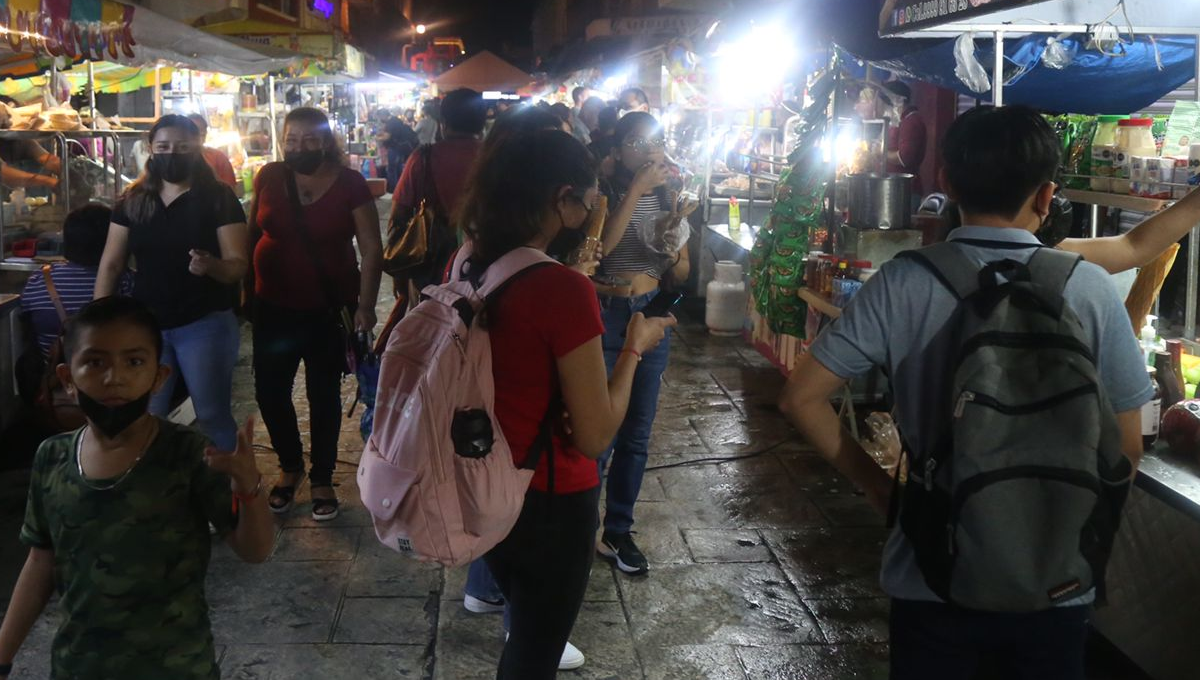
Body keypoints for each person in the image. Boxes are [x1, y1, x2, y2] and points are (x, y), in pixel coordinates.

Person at [778, 106, 1152, 679]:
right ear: (1047, 195)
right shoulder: (1090, 288)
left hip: (932, 571)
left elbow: (801, 398)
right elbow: (1127, 448)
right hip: (1058, 579)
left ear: (947, 183)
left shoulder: (904, 281)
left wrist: (885, 496)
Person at [459, 127, 674, 679]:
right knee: (534, 655)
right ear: (560, 199)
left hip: (486, 483)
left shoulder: (469, 261)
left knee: (525, 638)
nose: (591, 207)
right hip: (552, 500)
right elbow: (596, 434)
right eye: (588, 197)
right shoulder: (562, 291)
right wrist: (634, 348)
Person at [0, 296, 274, 680]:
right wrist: (3, 654)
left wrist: (249, 487)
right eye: (95, 362)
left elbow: (255, 550)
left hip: (178, 668)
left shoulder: (188, 453)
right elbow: (40, 561)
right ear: (68, 379)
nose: (115, 378)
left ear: (159, 377)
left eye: (134, 361)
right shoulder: (53, 457)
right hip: (78, 666)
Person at [249, 107, 382, 522]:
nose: (299, 146)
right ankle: (290, 467)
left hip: (328, 308)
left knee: (322, 394)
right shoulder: (269, 176)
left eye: (309, 139)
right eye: (291, 139)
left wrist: (365, 306)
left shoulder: (351, 183)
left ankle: (322, 476)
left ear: (327, 141)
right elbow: (252, 229)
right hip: (272, 306)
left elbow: (372, 248)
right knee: (270, 392)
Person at [95, 114, 248, 452]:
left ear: (198, 149)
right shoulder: (133, 199)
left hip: (204, 323)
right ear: (150, 148)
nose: (171, 154)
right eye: (163, 147)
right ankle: (159, 489)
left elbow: (238, 266)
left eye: (182, 147)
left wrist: (211, 265)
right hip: (146, 326)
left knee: (211, 414)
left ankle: (230, 491)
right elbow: (111, 263)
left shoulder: (218, 198)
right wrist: (98, 321)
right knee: (147, 414)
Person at [593, 112, 691, 576]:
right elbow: (602, 252)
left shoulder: (671, 197)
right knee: (597, 433)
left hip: (649, 313)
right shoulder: (602, 193)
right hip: (605, 316)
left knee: (636, 433)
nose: (650, 150)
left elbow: (684, 272)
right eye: (638, 141)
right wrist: (634, 190)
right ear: (618, 149)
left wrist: (674, 252)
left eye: (656, 140)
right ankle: (575, 528)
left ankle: (617, 531)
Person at [391, 88, 486, 295]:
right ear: (483, 122)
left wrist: (400, 273)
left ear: (443, 123)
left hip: (431, 268)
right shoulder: (498, 158)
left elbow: (399, 216)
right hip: (486, 267)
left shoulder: (422, 159)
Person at [21, 204, 132, 356]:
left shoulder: (39, 279)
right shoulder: (124, 281)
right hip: (105, 371)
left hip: (53, 372)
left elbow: (27, 327)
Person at [878, 80, 927, 203]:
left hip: (904, 191)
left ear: (899, 101)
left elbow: (904, 158)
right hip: (892, 188)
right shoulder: (898, 121)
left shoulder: (911, 122)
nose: (885, 108)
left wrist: (880, 152)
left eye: (887, 103)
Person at [186, 113, 240, 194]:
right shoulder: (175, 159)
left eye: (200, 133)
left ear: (204, 135)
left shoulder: (219, 158)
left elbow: (231, 192)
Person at [378, 109, 418, 194]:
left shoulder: (390, 123)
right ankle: (400, 189)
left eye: (380, 117)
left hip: (395, 148)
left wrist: (377, 138)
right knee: (398, 168)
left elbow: (388, 137)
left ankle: (393, 190)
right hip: (401, 148)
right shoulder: (396, 120)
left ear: (383, 116)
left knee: (392, 169)